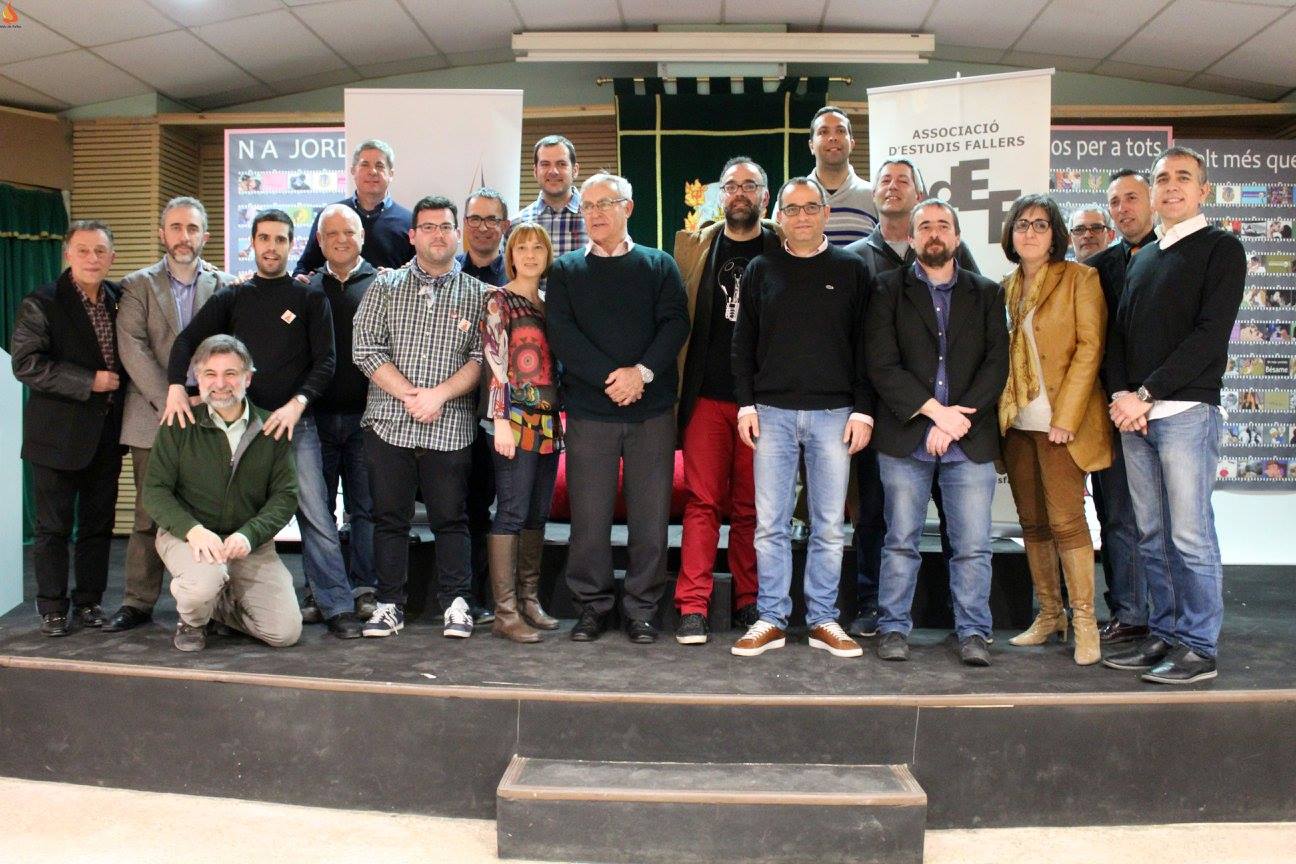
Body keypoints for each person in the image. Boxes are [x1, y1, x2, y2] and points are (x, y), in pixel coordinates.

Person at [163, 209, 363, 640]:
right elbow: (187, 340)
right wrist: (177, 386)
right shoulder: (233, 297)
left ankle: (336, 605)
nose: (272, 247)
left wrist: (296, 405)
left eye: (280, 239)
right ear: (252, 243)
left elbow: (326, 362)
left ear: (292, 245)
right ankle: (217, 600)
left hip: (295, 426)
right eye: (264, 238)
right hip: (240, 430)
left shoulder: (309, 298)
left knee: (316, 514)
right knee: (227, 508)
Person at [1104, 147, 1246, 685]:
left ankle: (1199, 647)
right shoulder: (1143, 259)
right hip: (1136, 418)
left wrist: (1145, 393)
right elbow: (1119, 336)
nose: (1171, 186)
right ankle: (1164, 633)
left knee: (1189, 536)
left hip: (1185, 412)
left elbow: (1209, 336)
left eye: (1183, 177)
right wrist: (1123, 396)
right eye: (1162, 178)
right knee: (1151, 535)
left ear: (1203, 191)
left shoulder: (1221, 249)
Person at [729, 176, 873, 659]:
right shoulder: (760, 269)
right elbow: (742, 345)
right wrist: (745, 405)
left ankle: (822, 619)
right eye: (792, 209)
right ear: (780, 217)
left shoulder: (852, 270)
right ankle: (771, 617)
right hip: (771, 414)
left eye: (811, 208)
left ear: (826, 214)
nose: (803, 217)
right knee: (769, 524)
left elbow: (866, 347)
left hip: (835, 414)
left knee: (828, 526)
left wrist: (864, 410)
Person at [546, 172, 689, 644]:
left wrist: (640, 374)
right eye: (587, 206)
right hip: (590, 412)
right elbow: (562, 334)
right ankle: (592, 607)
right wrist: (612, 379)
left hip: (651, 411)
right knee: (589, 522)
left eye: (604, 203)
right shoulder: (566, 271)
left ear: (627, 208)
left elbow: (675, 324)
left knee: (651, 520)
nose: (595, 213)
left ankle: (642, 610)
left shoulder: (659, 264)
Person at [865, 200, 1008, 667]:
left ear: (957, 237)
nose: (933, 233)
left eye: (943, 225)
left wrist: (955, 422)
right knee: (900, 541)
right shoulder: (886, 290)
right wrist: (935, 415)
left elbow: (996, 365)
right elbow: (882, 364)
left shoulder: (987, 293)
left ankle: (974, 632)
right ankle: (893, 628)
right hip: (907, 436)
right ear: (911, 238)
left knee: (972, 546)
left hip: (969, 438)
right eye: (924, 226)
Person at [843, 158, 979, 638]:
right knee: (876, 516)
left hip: (951, 420)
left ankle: (961, 614)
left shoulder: (956, 255)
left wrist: (948, 414)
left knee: (958, 525)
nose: (893, 186)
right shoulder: (854, 258)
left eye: (904, 180)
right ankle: (872, 603)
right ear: (873, 193)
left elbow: (974, 330)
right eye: (885, 180)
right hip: (887, 415)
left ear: (919, 193)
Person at [352, 195, 487, 639]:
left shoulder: (479, 295)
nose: (437, 235)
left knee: (452, 519)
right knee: (390, 519)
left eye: (445, 227)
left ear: (457, 234)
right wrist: (412, 396)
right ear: (412, 235)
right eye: (428, 227)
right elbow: (365, 349)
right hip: (388, 423)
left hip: (450, 426)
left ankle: (456, 603)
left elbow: (481, 358)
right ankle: (389, 604)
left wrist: (439, 396)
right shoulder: (384, 287)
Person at [107, 197, 231, 633]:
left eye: (192, 228)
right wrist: (171, 398)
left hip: (211, 413)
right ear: (162, 234)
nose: (184, 236)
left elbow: (231, 349)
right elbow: (132, 348)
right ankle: (137, 602)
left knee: (210, 511)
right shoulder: (136, 285)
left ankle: (211, 604)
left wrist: (209, 399)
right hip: (153, 412)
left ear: (205, 236)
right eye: (176, 227)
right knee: (148, 512)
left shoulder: (226, 284)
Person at [997, 194, 1112, 666]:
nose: (1030, 232)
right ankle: (1049, 615)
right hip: (1018, 425)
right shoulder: (1005, 287)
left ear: (1055, 234)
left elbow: (1090, 348)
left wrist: (1066, 416)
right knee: (1032, 523)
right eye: (1022, 224)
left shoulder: (1080, 279)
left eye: (1040, 224)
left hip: (1061, 424)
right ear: (1011, 234)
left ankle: (1085, 621)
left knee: (1067, 522)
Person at [671, 156, 778, 645]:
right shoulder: (694, 245)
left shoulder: (782, 245)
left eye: (749, 185)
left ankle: (748, 600)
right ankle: (692, 605)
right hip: (707, 397)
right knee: (702, 503)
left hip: (764, 401)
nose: (739, 193)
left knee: (752, 508)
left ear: (764, 197)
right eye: (731, 185)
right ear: (720, 196)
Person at [143, 335, 301, 652]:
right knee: (202, 583)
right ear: (197, 378)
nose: (220, 384)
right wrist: (193, 530)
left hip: (246, 543)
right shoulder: (179, 424)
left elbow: (285, 497)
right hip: (190, 537)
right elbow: (155, 491)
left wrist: (249, 535)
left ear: (248, 378)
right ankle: (192, 619)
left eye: (231, 373)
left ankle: (217, 606)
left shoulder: (271, 427)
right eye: (210, 374)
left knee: (285, 633)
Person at [11, 220, 125, 636]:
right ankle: (53, 607)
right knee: (53, 528)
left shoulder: (120, 298)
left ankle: (89, 602)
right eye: (83, 250)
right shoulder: (41, 302)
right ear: (67, 255)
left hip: (106, 436)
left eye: (100, 251)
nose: (92, 258)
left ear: (112, 257)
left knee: (98, 527)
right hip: (56, 437)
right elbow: (25, 364)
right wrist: (88, 381)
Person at [480, 223, 563, 642]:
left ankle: (529, 600)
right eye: (522, 248)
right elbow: (494, 364)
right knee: (511, 511)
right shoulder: (499, 300)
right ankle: (506, 611)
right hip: (512, 421)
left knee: (537, 513)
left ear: (548, 255)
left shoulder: (550, 304)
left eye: (538, 248)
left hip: (549, 422)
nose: (530, 255)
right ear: (510, 255)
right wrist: (500, 422)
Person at [1086, 170, 1158, 644]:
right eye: (1115, 201)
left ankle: (1170, 621)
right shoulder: (1098, 269)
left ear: (1152, 200)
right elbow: (1100, 342)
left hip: (1166, 408)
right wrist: (1119, 399)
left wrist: (1147, 398)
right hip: (1112, 411)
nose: (1123, 208)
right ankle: (1129, 613)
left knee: (1166, 524)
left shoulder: (1174, 255)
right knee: (1115, 515)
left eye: (1132, 198)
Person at [306, 204, 380, 617]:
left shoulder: (383, 285)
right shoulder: (307, 288)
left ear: (361, 237)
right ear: (320, 241)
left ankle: (365, 588)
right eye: (331, 233)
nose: (340, 239)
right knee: (318, 513)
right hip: (315, 421)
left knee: (364, 509)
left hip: (367, 420)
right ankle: (320, 592)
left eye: (348, 232)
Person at [456, 187, 513, 626]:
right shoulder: (447, 275)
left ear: (504, 226)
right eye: (475, 219)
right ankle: (469, 596)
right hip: (457, 412)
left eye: (491, 219)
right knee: (468, 507)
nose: (482, 227)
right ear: (464, 225)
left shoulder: (517, 277)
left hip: (506, 416)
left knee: (506, 507)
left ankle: (507, 599)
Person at [293, 139, 414, 276]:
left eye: (379, 166)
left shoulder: (409, 222)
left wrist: (398, 278)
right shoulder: (330, 216)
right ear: (353, 171)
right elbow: (305, 266)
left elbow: (418, 274)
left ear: (391, 173)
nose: (372, 171)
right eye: (365, 165)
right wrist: (300, 277)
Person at [798, 106, 877, 246]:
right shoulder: (792, 197)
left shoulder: (874, 196)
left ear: (852, 143)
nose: (833, 138)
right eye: (823, 132)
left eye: (840, 131)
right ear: (811, 146)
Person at [510, 135, 587, 262]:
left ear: (575, 170)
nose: (553, 171)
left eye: (561, 164)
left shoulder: (596, 221)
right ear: (535, 171)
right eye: (545, 164)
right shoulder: (516, 225)